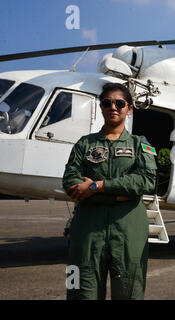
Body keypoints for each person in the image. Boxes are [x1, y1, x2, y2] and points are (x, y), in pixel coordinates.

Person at [62, 83, 157, 300]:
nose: (113, 107)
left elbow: (147, 181)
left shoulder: (140, 145)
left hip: (128, 232)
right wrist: (122, 194)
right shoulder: (84, 144)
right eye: (107, 103)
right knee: (79, 289)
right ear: (101, 106)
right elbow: (70, 181)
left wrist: (97, 186)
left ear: (129, 108)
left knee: (130, 292)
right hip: (86, 233)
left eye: (120, 103)